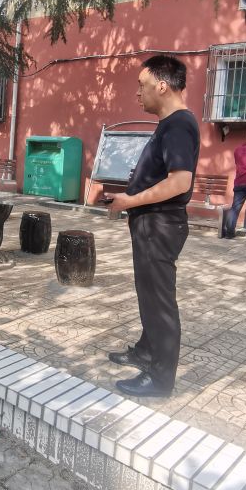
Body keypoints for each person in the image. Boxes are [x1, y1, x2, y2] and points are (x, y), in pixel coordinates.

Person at [103, 55, 199, 399]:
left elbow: (179, 182)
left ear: (161, 86)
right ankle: (146, 351)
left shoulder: (179, 125)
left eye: (141, 85)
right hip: (151, 224)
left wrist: (129, 201)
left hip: (161, 225)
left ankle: (160, 379)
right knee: (148, 294)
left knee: (159, 301)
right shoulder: (170, 124)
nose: (137, 92)